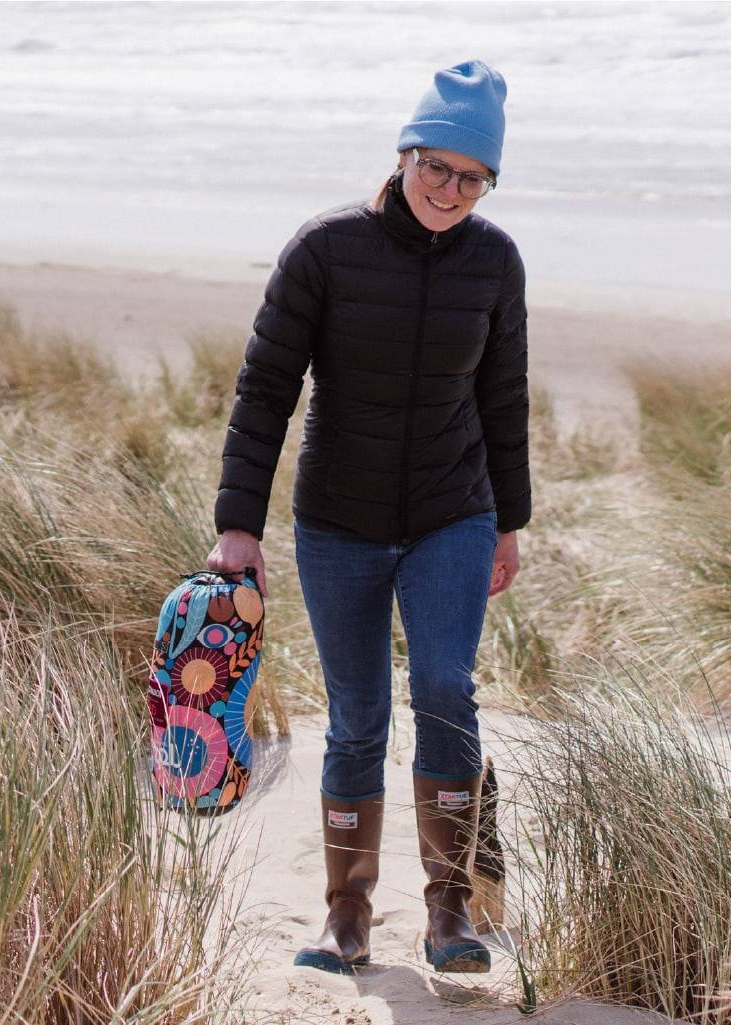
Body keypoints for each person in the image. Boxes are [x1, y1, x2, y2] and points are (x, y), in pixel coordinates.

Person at [203, 59, 529, 976]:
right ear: (404, 152)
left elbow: (504, 398)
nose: (450, 190)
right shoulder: (325, 249)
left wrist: (509, 521)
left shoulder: (495, 261)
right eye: (437, 166)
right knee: (356, 716)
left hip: (450, 513)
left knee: (444, 691)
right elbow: (264, 388)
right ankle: (345, 918)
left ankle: (450, 909)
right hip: (339, 520)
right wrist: (239, 524)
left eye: (473, 178)